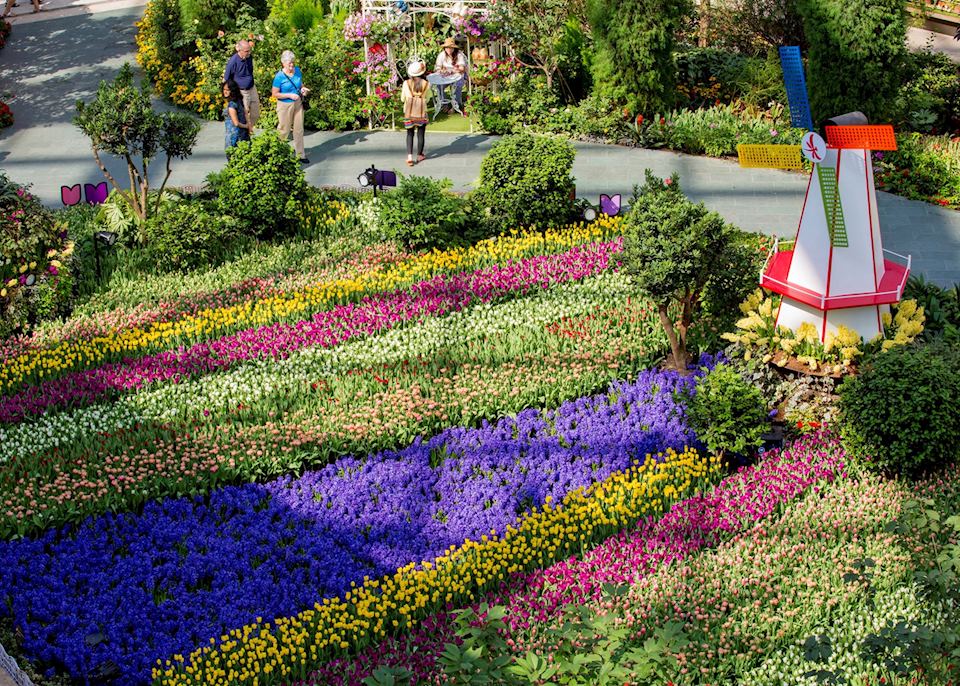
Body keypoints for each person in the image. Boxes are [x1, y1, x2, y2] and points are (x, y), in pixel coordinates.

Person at [272, 50, 310, 163]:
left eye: (293, 62)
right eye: (289, 63)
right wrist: (289, 95)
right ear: (283, 63)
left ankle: (300, 154)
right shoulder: (279, 77)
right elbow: (275, 93)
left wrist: (303, 89)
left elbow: (300, 84)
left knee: (299, 130)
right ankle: (277, 153)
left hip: (298, 104)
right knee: (284, 130)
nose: (292, 65)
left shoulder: (297, 71)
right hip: (285, 105)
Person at [224, 39, 260, 130]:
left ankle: (249, 129)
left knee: (256, 113)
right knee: (244, 114)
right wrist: (232, 93)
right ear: (239, 50)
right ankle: (245, 134)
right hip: (242, 91)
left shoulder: (249, 57)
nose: (249, 53)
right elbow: (226, 79)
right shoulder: (233, 62)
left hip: (252, 88)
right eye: (246, 51)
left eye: (249, 50)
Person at [401, 59, 430, 166]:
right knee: (421, 133)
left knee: (410, 133)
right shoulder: (426, 84)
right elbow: (428, 98)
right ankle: (419, 155)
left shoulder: (406, 83)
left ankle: (409, 156)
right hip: (421, 112)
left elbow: (402, 99)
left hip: (409, 112)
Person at [433, 37, 467, 113]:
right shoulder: (441, 55)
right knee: (439, 86)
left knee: (457, 85)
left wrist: (454, 70)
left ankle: (456, 105)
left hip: (458, 76)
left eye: (451, 48)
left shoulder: (459, 55)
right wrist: (442, 71)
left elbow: (462, 68)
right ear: (444, 48)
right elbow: (437, 68)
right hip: (446, 77)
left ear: (454, 48)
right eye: (447, 48)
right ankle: (445, 104)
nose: (449, 49)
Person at [222, 79, 251, 154]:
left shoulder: (232, 105)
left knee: (232, 157)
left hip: (234, 135)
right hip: (243, 134)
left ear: (233, 91)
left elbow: (236, 123)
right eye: (224, 89)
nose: (225, 92)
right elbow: (245, 113)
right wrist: (248, 126)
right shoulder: (239, 100)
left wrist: (246, 126)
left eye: (228, 90)